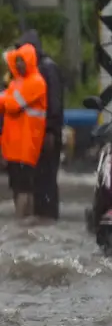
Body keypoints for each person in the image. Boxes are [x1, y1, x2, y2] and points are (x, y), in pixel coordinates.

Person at [16, 29, 64, 220]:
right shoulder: (33, 70)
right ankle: (41, 217)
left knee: (47, 179)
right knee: (38, 180)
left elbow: (54, 102)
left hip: (47, 134)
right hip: (36, 135)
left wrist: (51, 130)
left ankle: (48, 217)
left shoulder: (47, 68)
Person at [0, 44, 48, 219]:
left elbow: (12, 105)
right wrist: (6, 99)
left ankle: (21, 224)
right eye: (17, 61)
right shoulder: (16, 82)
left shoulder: (36, 82)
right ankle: (22, 224)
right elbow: (5, 102)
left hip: (27, 145)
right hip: (13, 145)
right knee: (16, 186)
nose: (19, 65)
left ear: (30, 61)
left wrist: (6, 99)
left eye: (22, 61)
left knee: (24, 187)